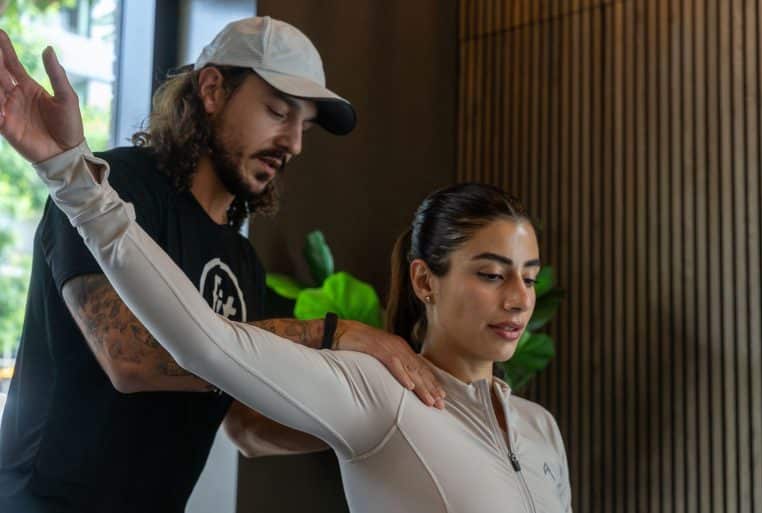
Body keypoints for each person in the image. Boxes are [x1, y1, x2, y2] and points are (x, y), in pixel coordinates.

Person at [0, 17, 442, 513]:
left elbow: (248, 427)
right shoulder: (110, 188)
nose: (294, 143)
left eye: (305, 127)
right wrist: (332, 333)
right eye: (278, 112)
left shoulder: (241, 261)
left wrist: (383, 423)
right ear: (211, 89)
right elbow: (131, 357)